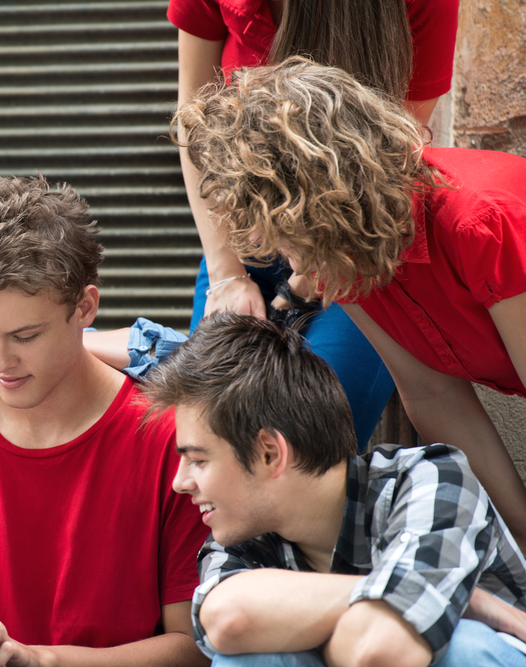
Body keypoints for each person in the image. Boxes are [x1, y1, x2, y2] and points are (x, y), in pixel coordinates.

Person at [175, 56, 526, 550]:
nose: (272, 251)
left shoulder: (483, 223)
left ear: (319, 200)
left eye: (277, 230)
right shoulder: (349, 253)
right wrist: (520, 538)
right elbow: (434, 395)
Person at [0, 175, 211, 667]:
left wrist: (40, 661)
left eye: (25, 335)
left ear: (85, 307)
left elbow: (194, 650)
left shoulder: (169, 436)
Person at [142, 311, 526, 667]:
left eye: (198, 460)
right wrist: (441, 596)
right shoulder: (239, 534)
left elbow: (379, 649)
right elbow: (226, 617)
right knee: (246, 656)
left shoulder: (429, 480)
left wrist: (301, 620)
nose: (180, 483)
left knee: (463, 644)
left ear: (270, 453)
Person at [170, 0, 459, 448]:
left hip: (357, 247)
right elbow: (194, 123)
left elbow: (393, 147)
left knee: (302, 445)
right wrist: (226, 272)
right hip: (238, 241)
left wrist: (308, 274)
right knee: (212, 439)